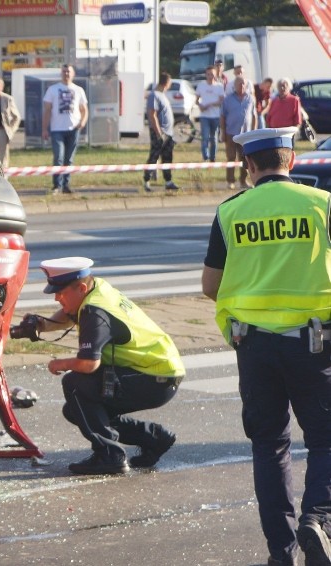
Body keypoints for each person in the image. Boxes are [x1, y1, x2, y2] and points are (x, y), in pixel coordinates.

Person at [201, 127, 331, 566]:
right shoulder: (322, 205)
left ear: (249, 167)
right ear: (292, 161)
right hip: (315, 344)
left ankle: (282, 552)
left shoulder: (231, 211)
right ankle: (319, 521)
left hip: (253, 347)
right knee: (327, 441)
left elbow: (210, 285)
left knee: (269, 445)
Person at [17, 257, 185, 475]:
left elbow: (88, 364)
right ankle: (153, 438)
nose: (57, 298)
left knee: (74, 384)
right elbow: (71, 312)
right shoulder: (97, 289)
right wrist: (44, 325)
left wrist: (59, 363)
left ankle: (109, 455)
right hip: (157, 371)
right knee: (76, 410)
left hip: (154, 376)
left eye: (61, 292)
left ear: (81, 287)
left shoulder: (94, 311)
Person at [42, 64, 88, 195]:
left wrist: (82, 122)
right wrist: (44, 129)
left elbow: (84, 110)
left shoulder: (78, 90)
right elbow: (47, 110)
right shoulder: (53, 89)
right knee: (59, 157)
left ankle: (66, 185)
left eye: (68, 72)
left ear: (73, 74)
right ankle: (57, 185)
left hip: (73, 129)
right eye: (64, 72)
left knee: (69, 159)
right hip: (57, 129)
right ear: (61, 73)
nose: (66, 74)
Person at [143, 72, 180, 193]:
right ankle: (146, 180)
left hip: (168, 133)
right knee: (154, 156)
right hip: (159, 132)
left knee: (167, 157)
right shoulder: (154, 95)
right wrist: (159, 133)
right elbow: (152, 114)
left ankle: (168, 181)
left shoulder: (162, 95)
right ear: (166, 83)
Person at [220, 77, 256, 190]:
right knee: (231, 157)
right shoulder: (227, 100)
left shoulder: (250, 99)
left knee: (245, 159)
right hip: (231, 133)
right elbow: (222, 117)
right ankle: (230, 181)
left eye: (243, 83)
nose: (241, 85)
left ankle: (243, 180)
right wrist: (223, 132)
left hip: (246, 135)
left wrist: (253, 132)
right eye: (239, 83)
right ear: (234, 86)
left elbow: (254, 116)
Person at [196, 66, 225, 163]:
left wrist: (210, 104)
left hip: (215, 116)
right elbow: (197, 99)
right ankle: (205, 157)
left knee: (214, 137)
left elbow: (221, 101)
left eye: (212, 74)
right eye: (208, 74)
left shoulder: (219, 86)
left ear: (215, 75)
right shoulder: (201, 85)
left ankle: (213, 157)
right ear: (206, 75)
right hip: (204, 116)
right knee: (205, 137)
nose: (210, 76)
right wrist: (200, 105)